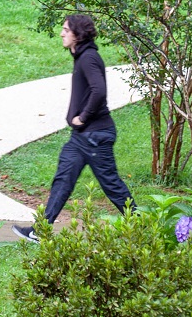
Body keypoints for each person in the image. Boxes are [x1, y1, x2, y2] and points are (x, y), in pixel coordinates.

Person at [12, 13, 135, 242]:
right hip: (82, 137)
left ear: (78, 34)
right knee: (63, 179)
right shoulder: (81, 56)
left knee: (111, 185)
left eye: (66, 30)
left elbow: (99, 90)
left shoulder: (88, 58)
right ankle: (41, 231)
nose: (61, 33)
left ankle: (140, 227)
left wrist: (83, 116)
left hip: (95, 135)